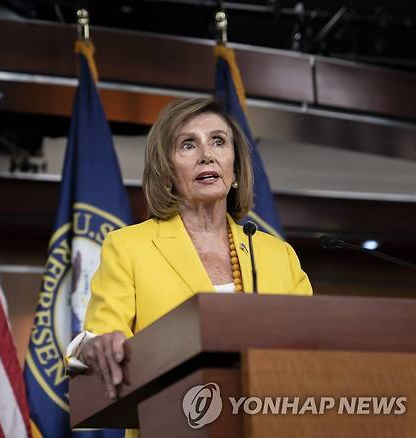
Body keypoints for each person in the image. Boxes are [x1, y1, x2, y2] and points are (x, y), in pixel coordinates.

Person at [66, 97, 312, 403]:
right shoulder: (129, 248)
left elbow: (312, 352)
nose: (206, 156)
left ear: (235, 170)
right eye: (188, 145)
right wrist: (93, 346)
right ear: (168, 172)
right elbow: (100, 339)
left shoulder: (279, 256)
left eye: (218, 141)